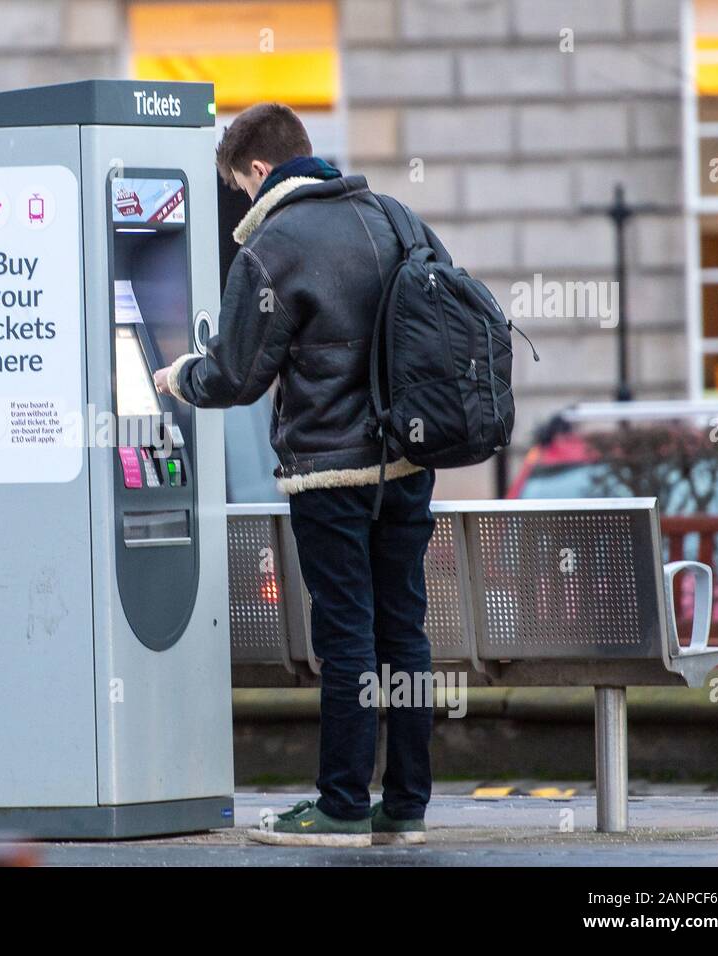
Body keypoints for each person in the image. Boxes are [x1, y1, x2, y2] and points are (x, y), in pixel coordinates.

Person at [154, 104, 451, 847]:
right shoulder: (395, 218)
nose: (244, 204)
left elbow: (237, 376)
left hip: (330, 475)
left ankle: (343, 805)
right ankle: (406, 805)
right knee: (403, 632)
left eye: (240, 188)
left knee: (346, 634)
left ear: (259, 172)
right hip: (408, 463)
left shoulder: (275, 245)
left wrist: (179, 376)